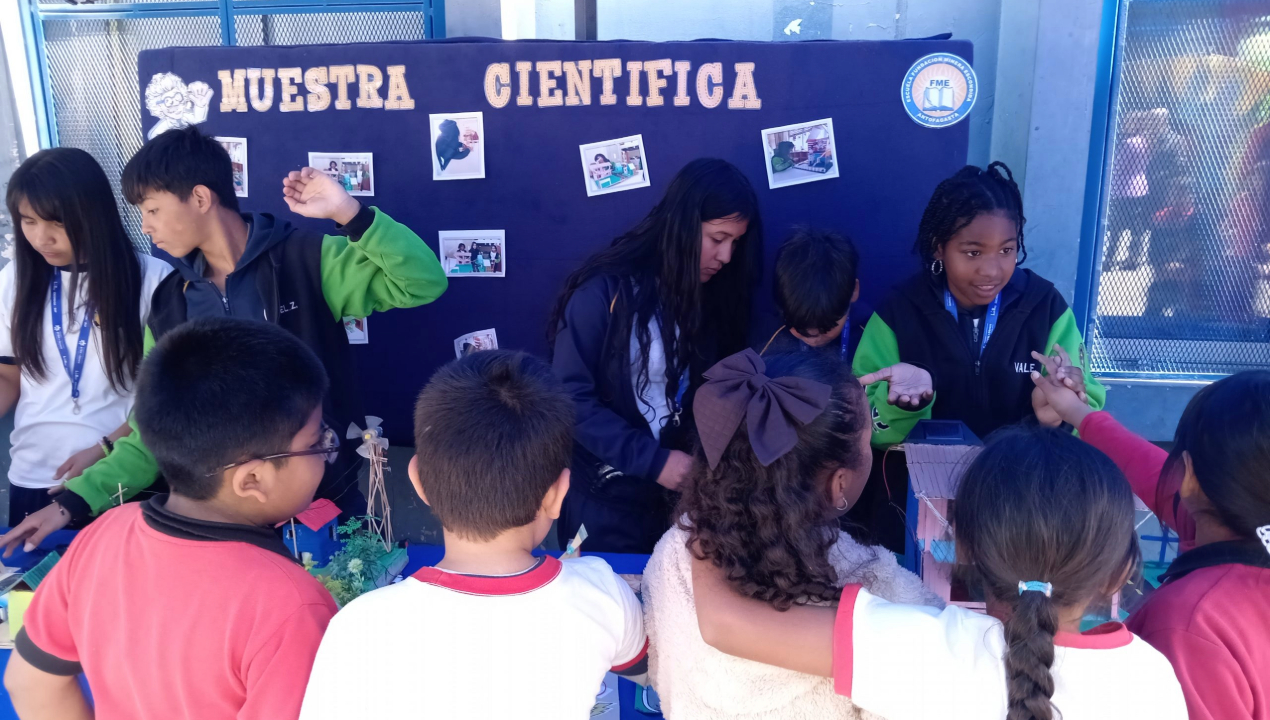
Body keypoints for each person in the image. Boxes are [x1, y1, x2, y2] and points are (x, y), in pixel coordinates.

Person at [0, 126, 447, 554]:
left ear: (199, 198)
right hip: (220, 523)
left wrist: (348, 213)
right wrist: (70, 504)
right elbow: (155, 432)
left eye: (152, 210)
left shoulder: (307, 260)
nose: (146, 226)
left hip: (324, 502)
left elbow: (422, 283)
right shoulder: (170, 304)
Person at [686, 425, 1188, 720]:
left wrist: (706, 506)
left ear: (964, 549)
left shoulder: (927, 648)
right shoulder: (1153, 680)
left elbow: (724, 624)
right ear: (1120, 572)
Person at [3, 317, 339, 720]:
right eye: (316, 441)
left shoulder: (104, 536)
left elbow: (29, 682)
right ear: (251, 480)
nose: (325, 451)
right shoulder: (293, 607)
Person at [298, 350, 647, 720]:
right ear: (558, 495)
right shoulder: (603, 594)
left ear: (417, 480)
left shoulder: (358, 627)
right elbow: (645, 672)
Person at [643, 350, 940, 719]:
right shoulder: (880, 588)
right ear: (840, 483)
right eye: (867, 442)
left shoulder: (676, 553)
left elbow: (658, 664)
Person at [1031, 362, 1270, 720]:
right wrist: (1078, 412)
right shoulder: (1243, 527)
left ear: (1189, 478)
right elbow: (1145, 466)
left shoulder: (1189, 623)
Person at [548, 157, 762, 553]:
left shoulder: (714, 302)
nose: (726, 256)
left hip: (678, 508)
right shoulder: (602, 295)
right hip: (602, 505)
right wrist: (654, 461)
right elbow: (569, 400)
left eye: (736, 243)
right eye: (717, 239)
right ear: (682, 225)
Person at [853, 161, 1105, 447]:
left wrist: (1059, 419)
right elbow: (861, 427)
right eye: (973, 252)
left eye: (1006, 250)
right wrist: (901, 408)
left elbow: (1090, 416)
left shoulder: (1046, 307)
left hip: (1020, 473)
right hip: (922, 475)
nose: (991, 271)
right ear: (939, 247)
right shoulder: (899, 311)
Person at [0, 148, 171, 525]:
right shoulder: (14, 279)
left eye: (56, 222)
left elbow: (165, 397)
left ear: (93, 213)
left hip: (122, 476)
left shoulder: (154, 279)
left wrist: (105, 446)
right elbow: (8, 374)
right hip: (35, 474)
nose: (41, 237)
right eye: (28, 221)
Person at [758, 227, 861, 361]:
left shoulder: (872, 334)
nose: (813, 339)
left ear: (854, 291)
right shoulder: (765, 338)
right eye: (800, 328)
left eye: (826, 328)